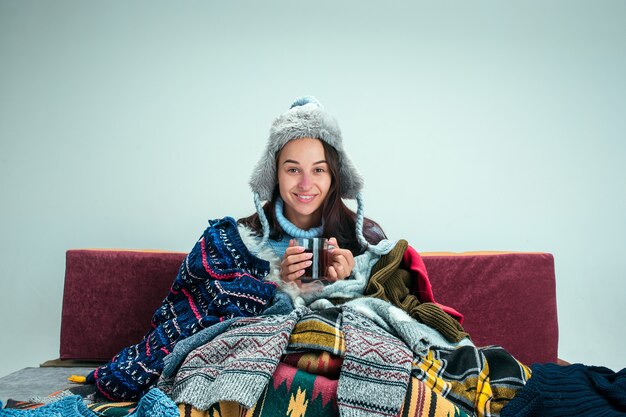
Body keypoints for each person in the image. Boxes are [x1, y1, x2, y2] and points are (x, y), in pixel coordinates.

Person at [238, 95, 387, 288]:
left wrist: (351, 281)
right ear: (275, 174)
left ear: (334, 176)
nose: (305, 184)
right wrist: (278, 284)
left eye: (318, 170)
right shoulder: (244, 241)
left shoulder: (368, 241)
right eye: (293, 170)